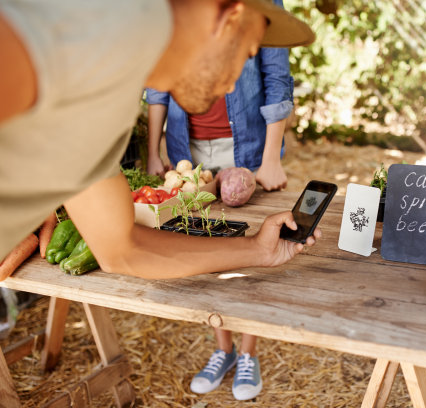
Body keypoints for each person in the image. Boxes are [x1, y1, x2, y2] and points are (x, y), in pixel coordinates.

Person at [0, 0, 317, 278]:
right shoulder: (94, 25)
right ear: (228, 19)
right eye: (246, 54)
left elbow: (122, 248)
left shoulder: (118, 95)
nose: (234, 86)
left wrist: (258, 250)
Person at [145, 7, 292, 396]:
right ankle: (223, 348)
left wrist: (271, 159)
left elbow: (277, 79)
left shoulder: (262, 7)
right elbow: (160, 82)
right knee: (205, 245)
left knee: (250, 249)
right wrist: (153, 150)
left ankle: (248, 354)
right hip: (185, 150)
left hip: (247, 148)